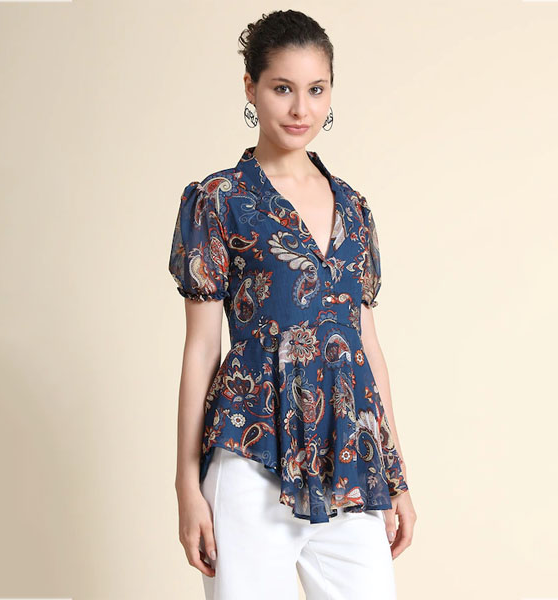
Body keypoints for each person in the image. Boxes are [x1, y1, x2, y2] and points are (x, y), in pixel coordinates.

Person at [169, 9, 416, 600]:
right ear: (250, 88)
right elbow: (201, 349)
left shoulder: (354, 208)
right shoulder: (219, 200)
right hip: (250, 454)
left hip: (348, 457)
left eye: (316, 89)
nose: (301, 109)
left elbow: (367, 347)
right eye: (283, 88)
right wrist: (186, 484)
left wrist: (397, 474)